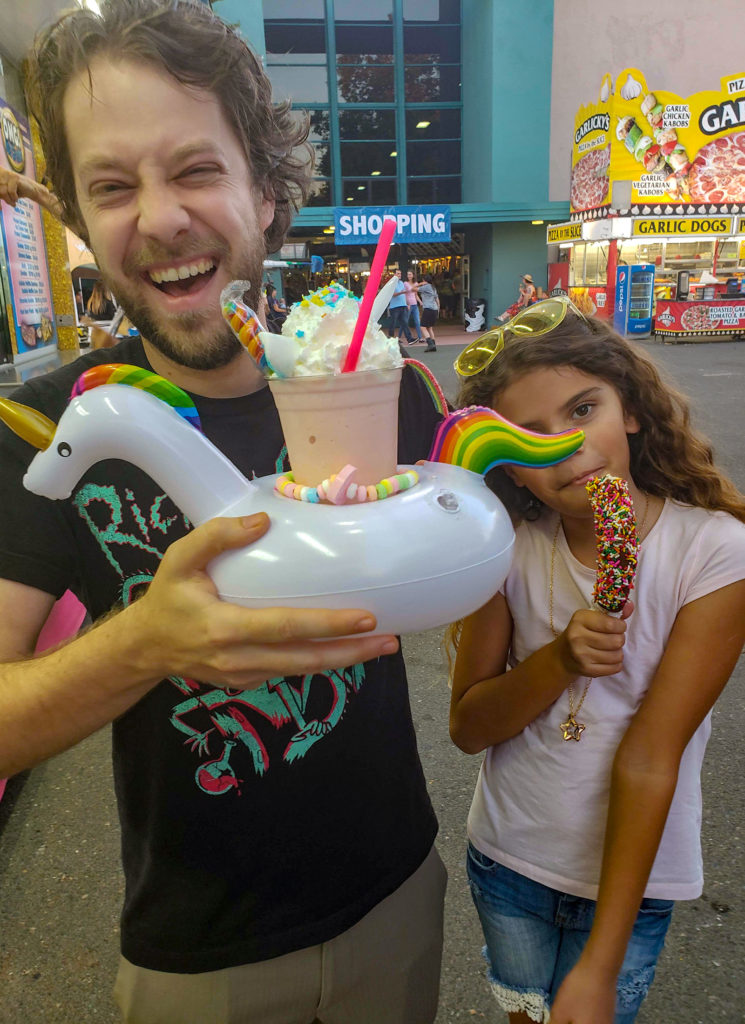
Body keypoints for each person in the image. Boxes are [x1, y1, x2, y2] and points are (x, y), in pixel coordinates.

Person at [0, 3, 447, 1023]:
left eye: (195, 169)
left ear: (263, 186)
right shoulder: (48, 425)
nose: (158, 218)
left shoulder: (390, 392)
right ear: (79, 213)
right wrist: (146, 641)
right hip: (195, 955)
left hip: (398, 898)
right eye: (112, 186)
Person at [448, 299, 745, 1024]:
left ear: (633, 411)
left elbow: (651, 756)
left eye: (582, 411)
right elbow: (467, 727)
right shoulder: (506, 553)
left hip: (630, 885)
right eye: (529, 438)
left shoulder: (712, 553)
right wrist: (558, 660)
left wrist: (601, 963)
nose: (566, 448)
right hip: (509, 857)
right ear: (510, 473)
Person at [387, 267, 414, 348]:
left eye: (400, 274)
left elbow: (404, 294)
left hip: (402, 305)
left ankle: (410, 339)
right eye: (398, 273)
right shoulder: (391, 283)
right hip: (394, 307)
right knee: (393, 323)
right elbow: (392, 294)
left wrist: (407, 303)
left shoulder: (401, 282)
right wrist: (401, 292)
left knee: (405, 323)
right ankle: (391, 338)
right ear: (394, 274)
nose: (400, 275)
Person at [417, 274, 439, 352]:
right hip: (434, 309)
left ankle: (430, 344)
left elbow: (413, 289)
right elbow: (437, 299)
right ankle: (434, 344)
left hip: (428, 308)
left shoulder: (426, 287)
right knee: (429, 327)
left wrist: (420, 284)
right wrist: (438, 309)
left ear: (424, 280)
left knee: (422, 327)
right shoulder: (433, 287)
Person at [404, 269, 424, 344]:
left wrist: (420, 301)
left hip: (415, 304)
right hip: (409, 305)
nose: (409, 276)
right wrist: (407, 303)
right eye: (408, 274)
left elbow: (416, 294)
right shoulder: (405, 283)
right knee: (405, 321)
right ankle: (399, 337)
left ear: (413, 275)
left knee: (418, 321)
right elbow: (406, 293)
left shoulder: (415, 283)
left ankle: (420, 337)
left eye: (410, 274)